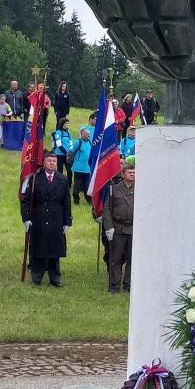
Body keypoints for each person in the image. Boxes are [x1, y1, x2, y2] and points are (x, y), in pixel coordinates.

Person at [22, 150, 71, 287]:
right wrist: (26, 218)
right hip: (39, 218)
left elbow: (67, 201)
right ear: (44, 163)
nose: (52, 163)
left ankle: (55, 278)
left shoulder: (63, 179)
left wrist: (68, 221)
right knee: (39, 247)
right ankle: (36, 277)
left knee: (54, 249)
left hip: (57, 218)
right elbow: (26, 200)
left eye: (54, 161)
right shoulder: (35, 179)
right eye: (49, 161)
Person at [100, 160, 136, 294]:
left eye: (134, 173)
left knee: (132, 258)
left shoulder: (140, 189)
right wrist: (109, 226)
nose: (132, 175)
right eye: (130, 172)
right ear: (123, 174)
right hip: (118, 228)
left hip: (133, 228)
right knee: (115, 258)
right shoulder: (113, 189)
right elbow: (107, 208)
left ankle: (128, 285)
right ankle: (114, 286)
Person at [71, 124, 93, 205]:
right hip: (78, 169)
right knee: (77, 185)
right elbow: (71, 152)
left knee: (87, 186)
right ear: (82, 134)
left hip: (87, 169)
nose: (89, 135)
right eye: (87, 134)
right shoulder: (78, 142)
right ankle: (76, 201)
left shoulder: (90, 143)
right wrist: (70, 162)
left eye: (89, 134)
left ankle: (89, 201)